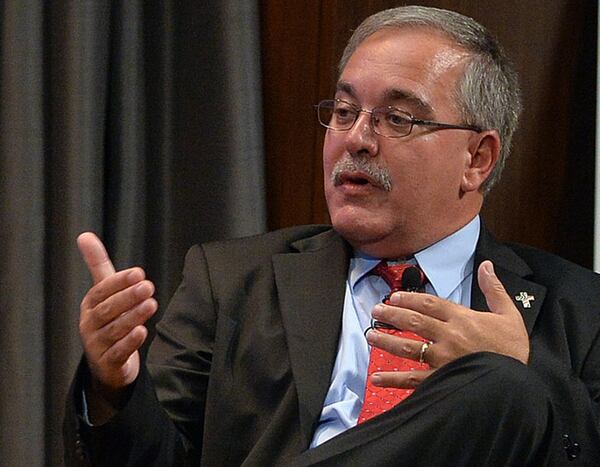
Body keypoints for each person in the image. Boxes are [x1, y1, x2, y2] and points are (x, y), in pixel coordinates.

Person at [64, 5, 600, 466]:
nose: (356, 138)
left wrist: (526, 372)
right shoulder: (231, 282)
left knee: (504, 384)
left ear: (477, 158)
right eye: (344, 112)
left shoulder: (584, 310)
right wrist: (115, 389)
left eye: (398, 119)